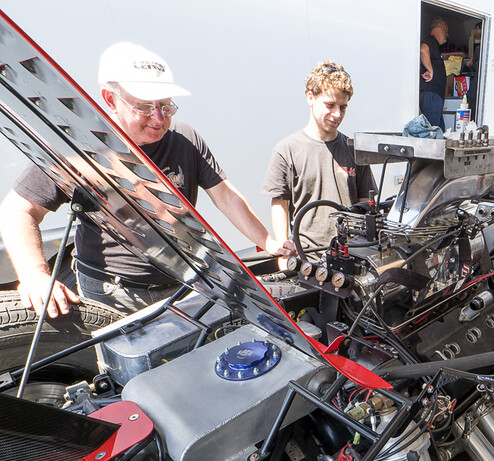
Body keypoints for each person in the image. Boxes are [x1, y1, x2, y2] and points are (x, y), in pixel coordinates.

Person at [0, 42, 285, 317]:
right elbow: (17, 210)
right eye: (145, 107)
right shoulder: (80, 148)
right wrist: (35, 275)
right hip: (112, 293)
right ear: (110, 98)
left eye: (165, 106)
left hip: (183, 286)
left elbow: (225, 195)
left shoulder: (185, 140)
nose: (159, 118)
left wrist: (268, 242)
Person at [261, 60, 376, 259]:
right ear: (310, 97)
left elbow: (365, 202)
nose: (337, 114)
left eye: (343, 107)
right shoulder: (287, 150)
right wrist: (283, 251)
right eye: (330, 105)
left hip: (351, 258)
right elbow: (279, 203)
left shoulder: (355, 150)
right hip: (308, 259)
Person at [419, 17, 449, 130]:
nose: (447, 34)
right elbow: (423, 50)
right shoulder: (430, 39)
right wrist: (430, 70)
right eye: (446, 31)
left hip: (434, 96)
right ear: (441, 27)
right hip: (431, 95)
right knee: (432, 132)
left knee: (439, 131)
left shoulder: (434, 44)